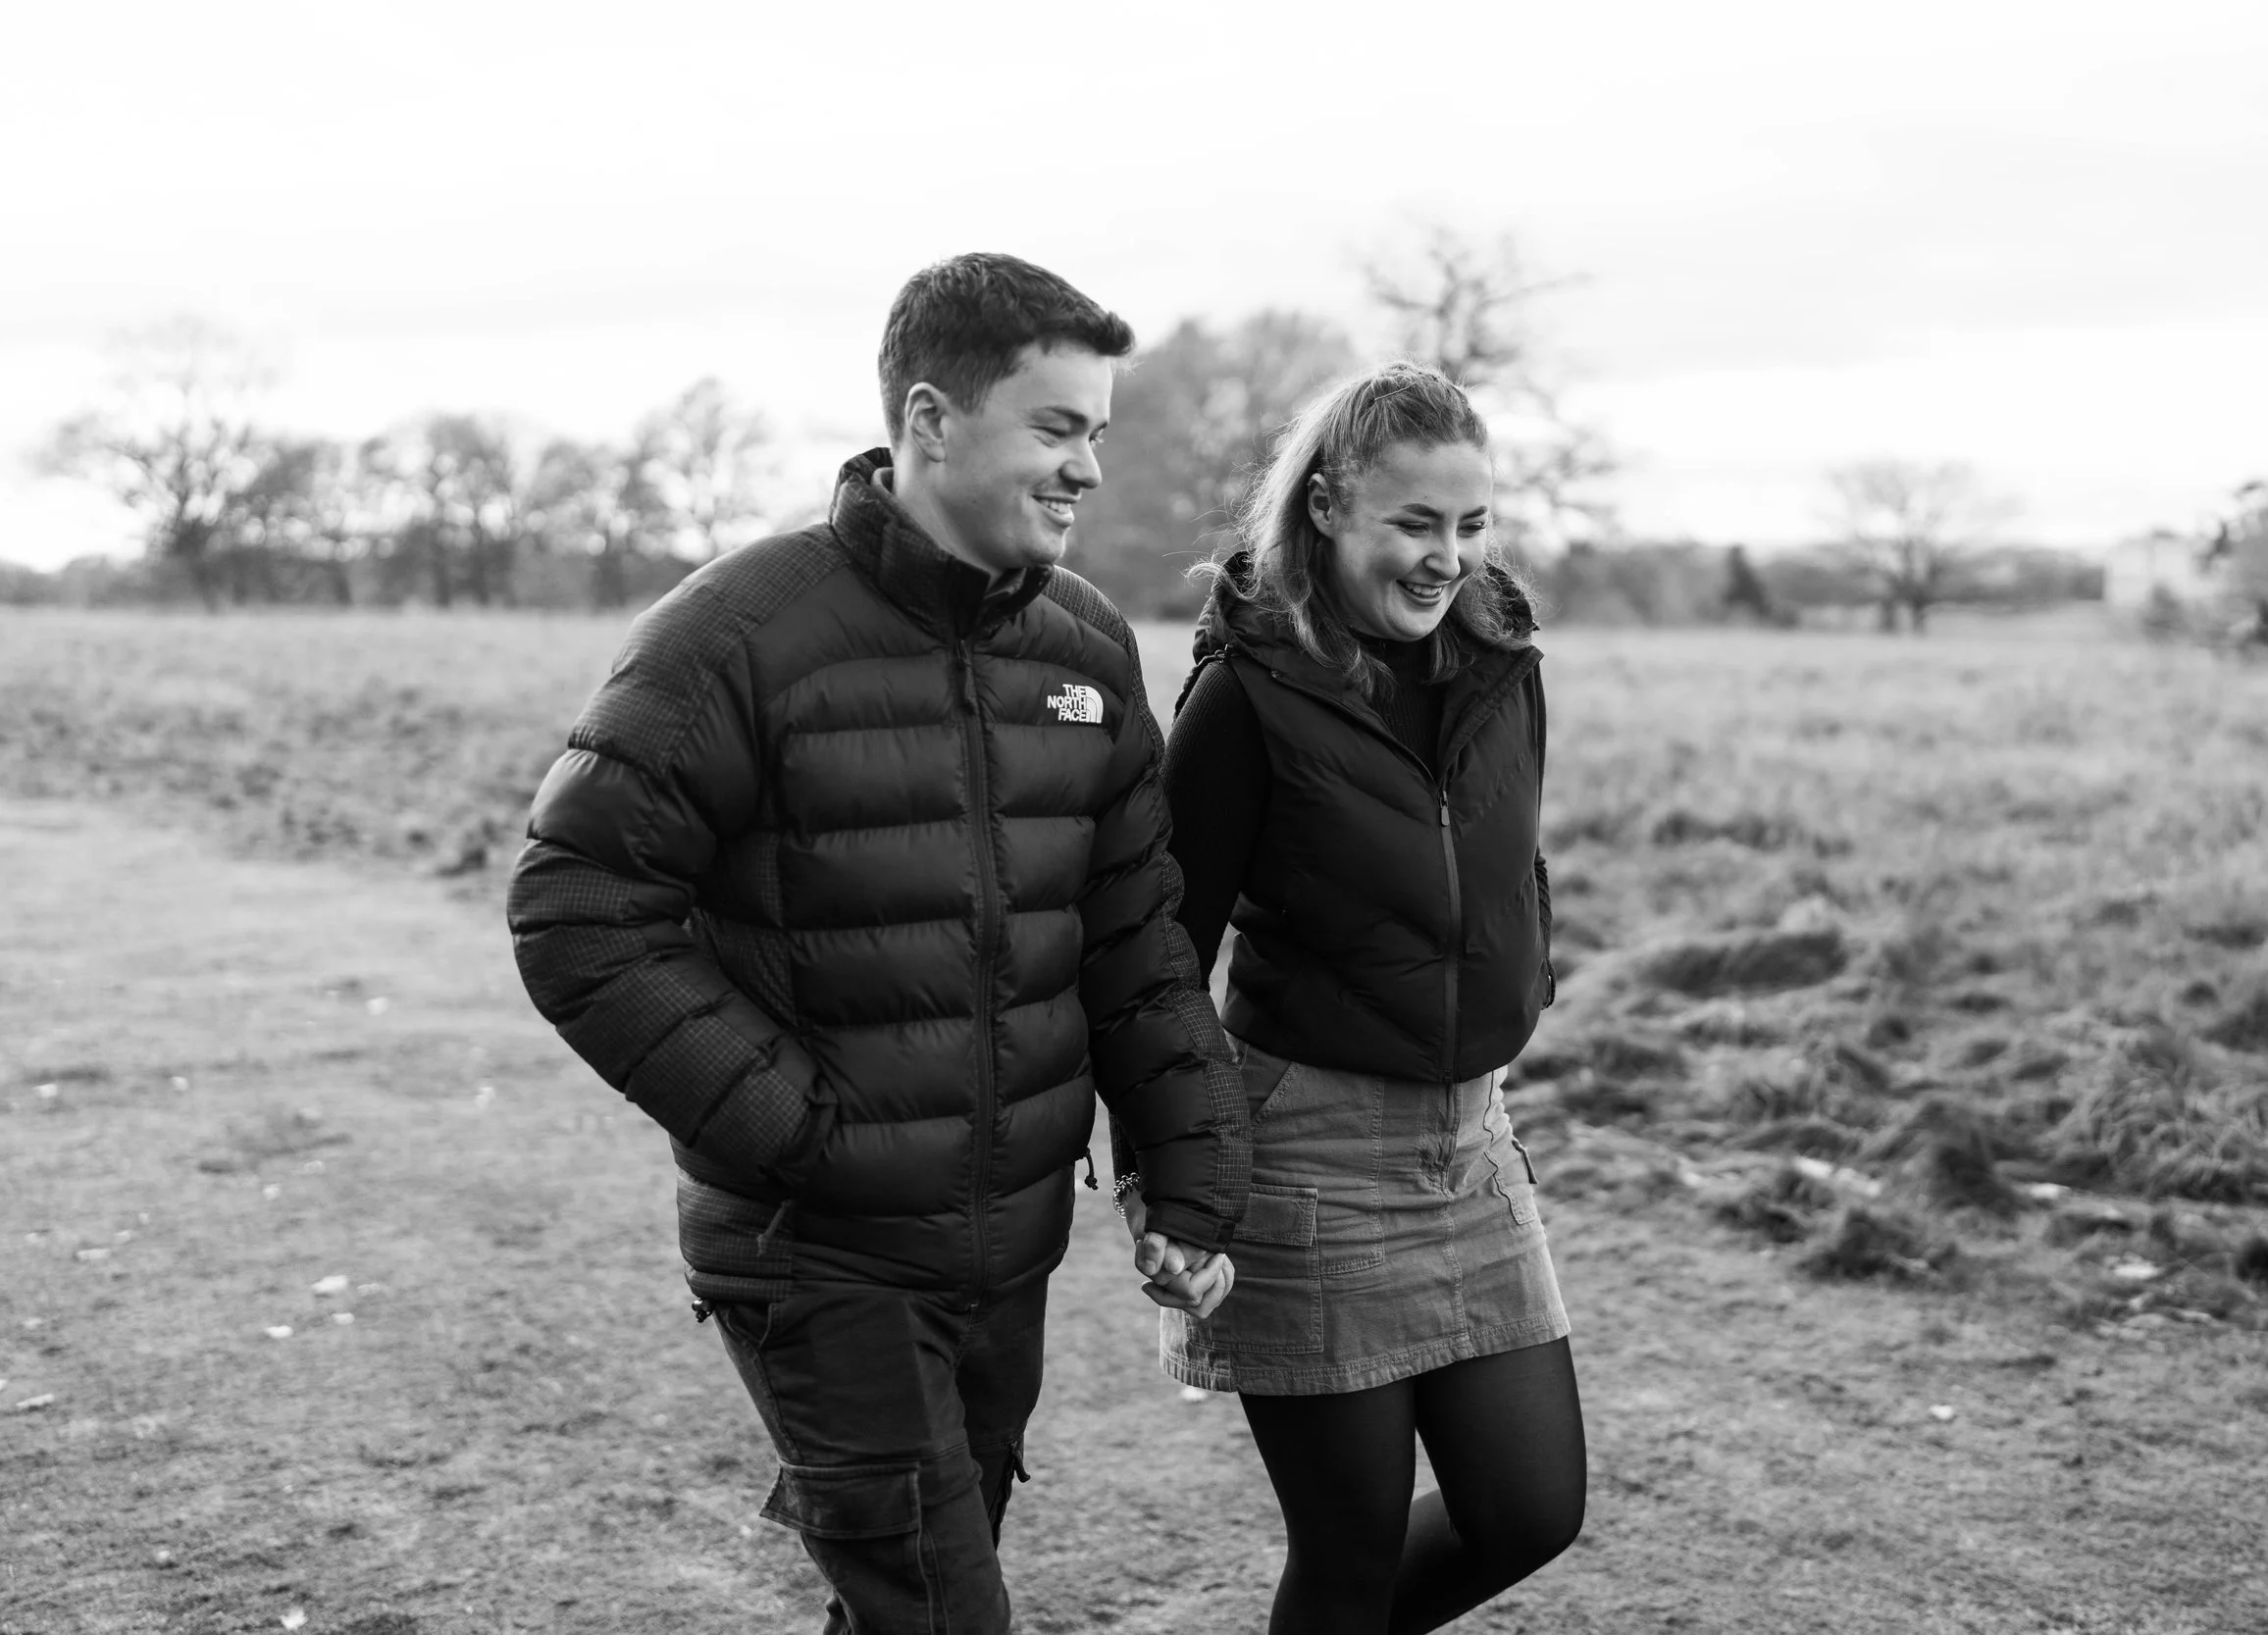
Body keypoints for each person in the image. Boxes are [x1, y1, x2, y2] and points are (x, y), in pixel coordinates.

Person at [506, 252, 1249, 1634]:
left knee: (905, 1595)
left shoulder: (1088, 648)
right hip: (817, 1249)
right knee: (941, 1608)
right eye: (1057, 426)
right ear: (930, 419)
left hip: (1005, 1244)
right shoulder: (738, 633)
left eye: (1098, 431)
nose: (1088, 465)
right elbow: (577, 908)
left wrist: (1194, 1174)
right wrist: (805, 1129)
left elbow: (1133, 936)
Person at [1147, 361, 1584, 1634]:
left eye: (1470, 524)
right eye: (1414, 523)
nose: (1446, 557)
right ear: (1329, 505)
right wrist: (1168, 1168)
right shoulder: (1249, 697)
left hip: (1470, 1142)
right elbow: (1164, 949)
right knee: (1344, 1559)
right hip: (1309, 1151)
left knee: (1527, 1506)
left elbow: (1508, 868)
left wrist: (1510, 1010)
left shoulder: (1506, 663)